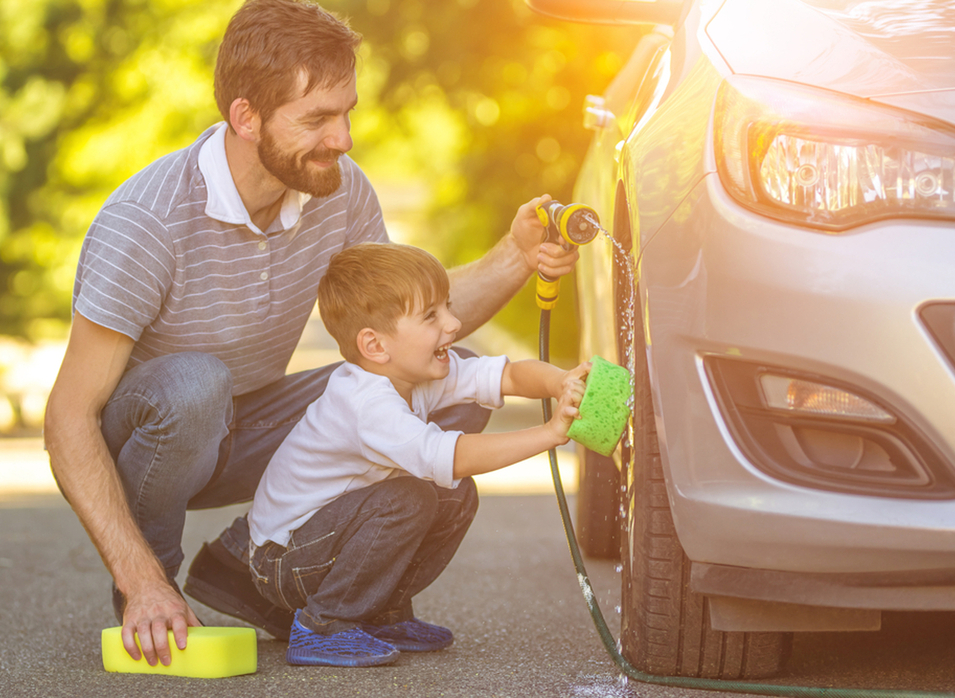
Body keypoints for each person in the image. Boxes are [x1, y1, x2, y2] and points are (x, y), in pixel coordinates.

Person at [43, 0, 578, 669]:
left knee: (445, 368)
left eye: (346, 111)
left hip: (253, 422)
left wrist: (518, 254)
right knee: (193, 386)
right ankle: (153, 590)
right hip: (156, 441)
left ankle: (277, 579)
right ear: (246, 117)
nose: (344, 138)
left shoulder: (339, 191)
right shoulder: (148, 222)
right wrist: (140, 578)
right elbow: (68, 417)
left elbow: (404, 327)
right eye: (318, 119)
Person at [245, 242, 588, 667]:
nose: (454, 323)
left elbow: (507, 374)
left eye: (447, 307)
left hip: (321, 541)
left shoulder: (413, 372)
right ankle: (323, 625)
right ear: (375, 346)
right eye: (432, 316)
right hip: (282, 562)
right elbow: (451, 456)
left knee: (455, 494)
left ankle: (379, 614)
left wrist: (562, 383)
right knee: (410, 498)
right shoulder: (366, 404)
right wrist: (550, 432)